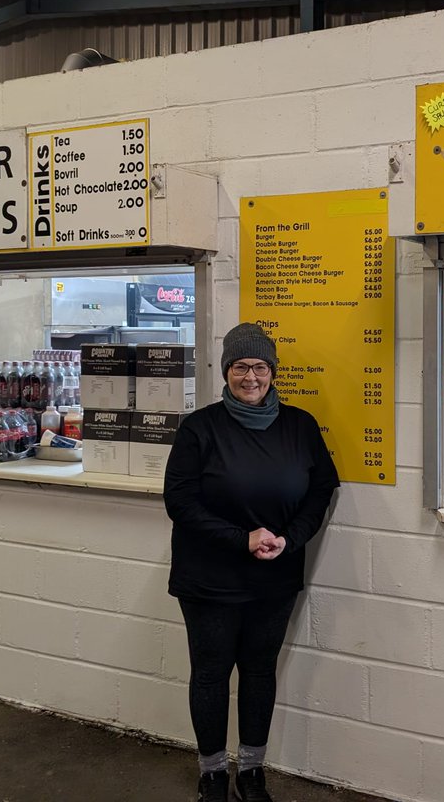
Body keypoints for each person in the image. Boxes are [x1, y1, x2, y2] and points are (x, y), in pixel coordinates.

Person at [163, 322, 339, 802]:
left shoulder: (300, 426)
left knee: (260, 673)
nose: (251, 377)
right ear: (226, 372)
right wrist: (241, 539)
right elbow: (179, 501)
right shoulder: (200, 428)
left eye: (260, 367)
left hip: (274, 576)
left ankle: (252, 771)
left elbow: (322, 489)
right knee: (211, 674)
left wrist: (290, 539)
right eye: (240, 367)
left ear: (273, 372)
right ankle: (212, 773)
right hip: (209, 578)